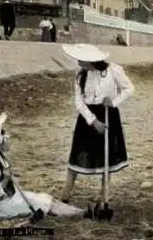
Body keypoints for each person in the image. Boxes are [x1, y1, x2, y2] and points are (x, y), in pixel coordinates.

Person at [60, 44, 134, 209]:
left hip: (108, 113)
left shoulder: (114, 70)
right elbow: (79, 101)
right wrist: (93, 121)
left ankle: (103, 196)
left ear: (91, 60)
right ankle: (65, 195)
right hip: (87, 118)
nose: (78, 62)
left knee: (105, 156)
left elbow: (129, 89)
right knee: (77, 154)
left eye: (81, 59)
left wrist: (114, 102)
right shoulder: (80, 74)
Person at [0, 113, 85, 218]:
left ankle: (80, 211)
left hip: (7, 199)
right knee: (41, 203)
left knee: (45, 198)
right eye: (6, 138)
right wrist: (5, 181)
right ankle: (83, 214)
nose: (8, 141)